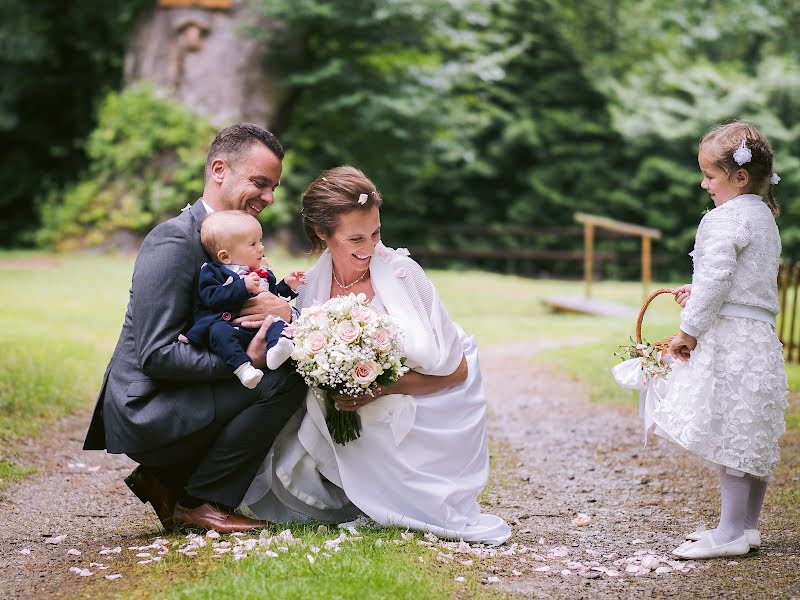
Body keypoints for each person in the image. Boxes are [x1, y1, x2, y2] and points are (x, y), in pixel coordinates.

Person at [238, 166, 511, 545]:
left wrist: (378, 389)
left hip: (423, 402)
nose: (370, 248)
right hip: (348, 405)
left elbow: (456, 373)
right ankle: (348, 491)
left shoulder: (403, 275)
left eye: (376, 233)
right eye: (355, 238)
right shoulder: (313, 284)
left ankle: (396, 494)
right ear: (322, 232)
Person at [83, 123, 307, 533]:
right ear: (219, 169)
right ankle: (198, 500)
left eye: (273, 186)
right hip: (148, 405)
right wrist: (244, 361)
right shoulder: (172, 242)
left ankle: (167, 479)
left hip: (180, 389)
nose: (269, 198)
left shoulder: (238, 241)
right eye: (260, 183)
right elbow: (156, 355)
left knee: (294, 362)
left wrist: (277, 308)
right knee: (284, 376)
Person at [651, 121, 788, 559]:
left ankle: (729, 532)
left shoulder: (724, 218)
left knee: (734, 431)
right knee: (752, 431)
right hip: (760, 338)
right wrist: (702, 296)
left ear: (740, 176)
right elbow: (741, 285)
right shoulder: (763, 215)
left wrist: (687, 331)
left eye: (710, 175)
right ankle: (747, 526)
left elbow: (716, 277)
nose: (703, 183)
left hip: (732, 342)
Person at [186, 210, 304, 389]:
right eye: (253, 244)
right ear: (225, 256)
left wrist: (288, 287)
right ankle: (243, 369)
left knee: (278, 322)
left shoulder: (261, 272)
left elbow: (271, 299)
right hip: (231, 326)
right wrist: (242, 287)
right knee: (218, 333)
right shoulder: (212, 271)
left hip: (259, 328)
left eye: (261, 241)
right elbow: (211, 298)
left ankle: (276, 349)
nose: (261, 248)